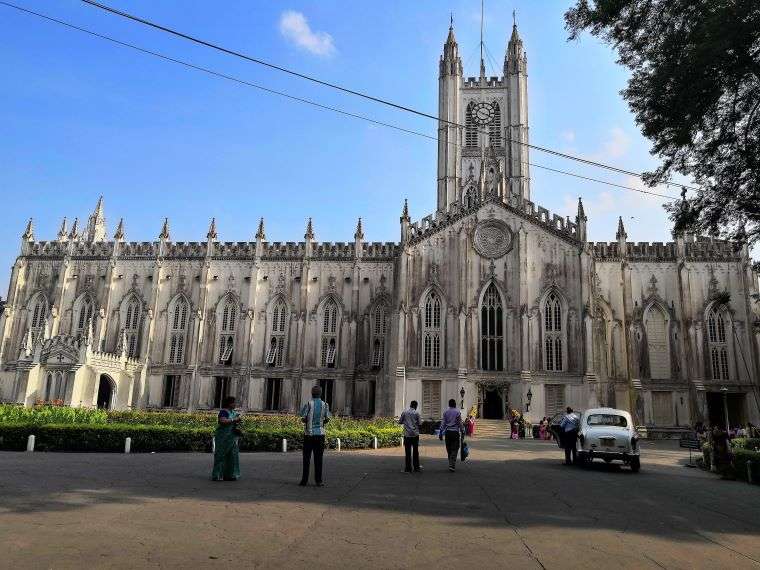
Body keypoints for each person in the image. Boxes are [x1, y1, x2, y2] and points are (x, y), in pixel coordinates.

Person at [299, 385, 331, 487]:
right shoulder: (325, 405)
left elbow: (302, 418)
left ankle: (304, 480)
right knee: (319, 458)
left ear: (312, 394)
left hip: (309, 434)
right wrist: (321, 423)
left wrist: (308, 422)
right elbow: (327, 419)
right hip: (320, 435)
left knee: (306, 458)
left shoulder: (308, 404)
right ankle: (319, 481)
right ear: (321, 394)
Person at [211, 396, 242, 481]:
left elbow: (235, 423)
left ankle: (230, 475)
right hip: (223, 437)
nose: (235, 404)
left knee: (232, 456)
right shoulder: (223, 412)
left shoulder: (234, 413)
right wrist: (233, 420)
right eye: (234, 403)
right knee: (221, 455)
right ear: (229, 403)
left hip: (232, 437)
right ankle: (218, 475)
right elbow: (222, 421)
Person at [439, 399, 463, 472]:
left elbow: (443, 423)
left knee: (448, 448)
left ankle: (451, 463)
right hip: (455, 432)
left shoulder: (446, 412)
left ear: (449, 405)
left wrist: (440, 432)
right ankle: (452, 465)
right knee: (455, 449)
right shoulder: (457, 412)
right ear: (455, 404)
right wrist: (462, 430)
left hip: (448, 432)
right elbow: (460, 423)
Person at [399, 400, 422, 473]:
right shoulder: (417, 413)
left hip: (407, 435)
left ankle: (408, 468)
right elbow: (420, 423)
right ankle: (416, 467)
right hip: (415, 434)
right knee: (415, 451)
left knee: (408, 452)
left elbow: (400, 421)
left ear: (410, 405)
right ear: (416, 406)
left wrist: (406, 422)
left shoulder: (405, 412)